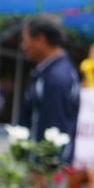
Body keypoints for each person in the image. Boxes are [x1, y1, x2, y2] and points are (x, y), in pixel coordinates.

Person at [19, 14, 80, 164]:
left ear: (40, 39)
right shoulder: (51, 71)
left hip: (46, 169)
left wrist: (45, 167)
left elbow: (54, 128)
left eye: (26, 40)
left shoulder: (56, 78)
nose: (23, 46)